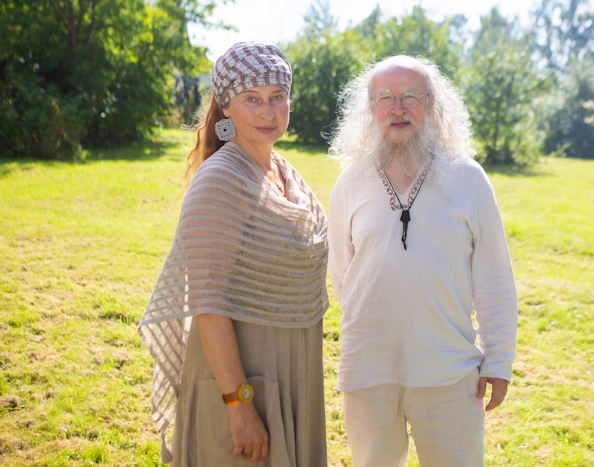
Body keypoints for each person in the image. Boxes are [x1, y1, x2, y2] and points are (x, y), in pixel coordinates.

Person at [139, 42, 328, 466]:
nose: (268, 112)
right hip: (243, 382)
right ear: (226, 107)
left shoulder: (283, 171)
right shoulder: (221, 180)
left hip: (293, 376)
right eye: (252, 100)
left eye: (278, 98)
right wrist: (240, 405)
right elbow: (207, 304)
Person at [327, 55, 518, 466]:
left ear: (432, 105)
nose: (398, 108)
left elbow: (494, 277)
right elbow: (344, 275)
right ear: (370, 109)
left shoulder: (468, 179)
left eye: (410, 96)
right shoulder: (351, 182)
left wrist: (499, 359)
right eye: (386, 98)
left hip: (449, 371)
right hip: (368, 370)